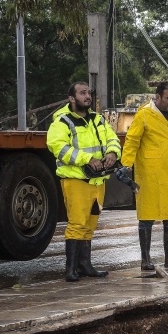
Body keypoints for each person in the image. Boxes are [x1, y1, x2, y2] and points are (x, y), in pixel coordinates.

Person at [47, 82, 121, 282]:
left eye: (89, 92)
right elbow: (58, 147)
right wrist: (87, 159)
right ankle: (70, 269)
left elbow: (112, 138)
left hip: (98, 180)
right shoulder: (62, 122)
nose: (87, 96)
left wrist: (113, 153)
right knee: (77, 223)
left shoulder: (98, 119)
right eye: (82, 93)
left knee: (90, 223)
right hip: (76, 179)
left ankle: (85, 265)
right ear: (71, 98)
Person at [121, 81, 168, 270]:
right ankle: (145, 259)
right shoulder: (144, 114)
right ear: (158, 96)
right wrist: (127, 165)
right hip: (150, 174)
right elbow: (132, 141)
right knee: (147, 216)